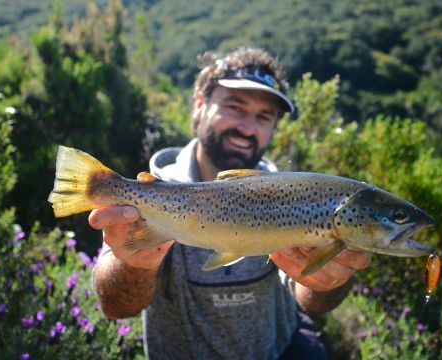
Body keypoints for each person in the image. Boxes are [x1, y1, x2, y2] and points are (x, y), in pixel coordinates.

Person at [89, 46, 371, 359]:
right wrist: (132, 263)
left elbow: (310, 301)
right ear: (199, 105)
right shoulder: (155, 194)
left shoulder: (294, 197)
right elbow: (116, 306)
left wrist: (330, 278)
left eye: (264, 117)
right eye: (235, 107)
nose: (248, 128)